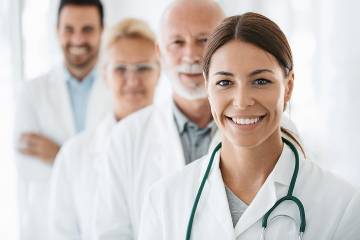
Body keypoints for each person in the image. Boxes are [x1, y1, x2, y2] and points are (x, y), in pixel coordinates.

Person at [138, 12, 360, 240]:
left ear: (289, 86)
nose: (242, 101)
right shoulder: (164, 201)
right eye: (225, 82)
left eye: (260, 81)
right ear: (208, 88)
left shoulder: (341, 206)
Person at [92, 1, 225, 239]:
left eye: (204, 40)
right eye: (177, 42)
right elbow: (111, 233)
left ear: (226, 47)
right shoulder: (127, 136)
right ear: (159, 53)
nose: (191, 55)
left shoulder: (265, 131)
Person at [48, 18, 160, 240]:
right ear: (105, 75)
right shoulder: (74, 155)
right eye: (120, 69)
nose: (132, 80)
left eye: (143, 68)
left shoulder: (180, 142)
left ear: (159, 72)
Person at [13, 0, 110, 239]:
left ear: (102, 31)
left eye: (87, 29)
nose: (77, 40)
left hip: (103, 223)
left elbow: (119, 167)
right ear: (57, 30)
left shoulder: (118, 89)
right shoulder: (31, 93)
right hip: (44, 226)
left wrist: (57, 153)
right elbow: (29, 167)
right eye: (69, 29)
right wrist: (90, 160)